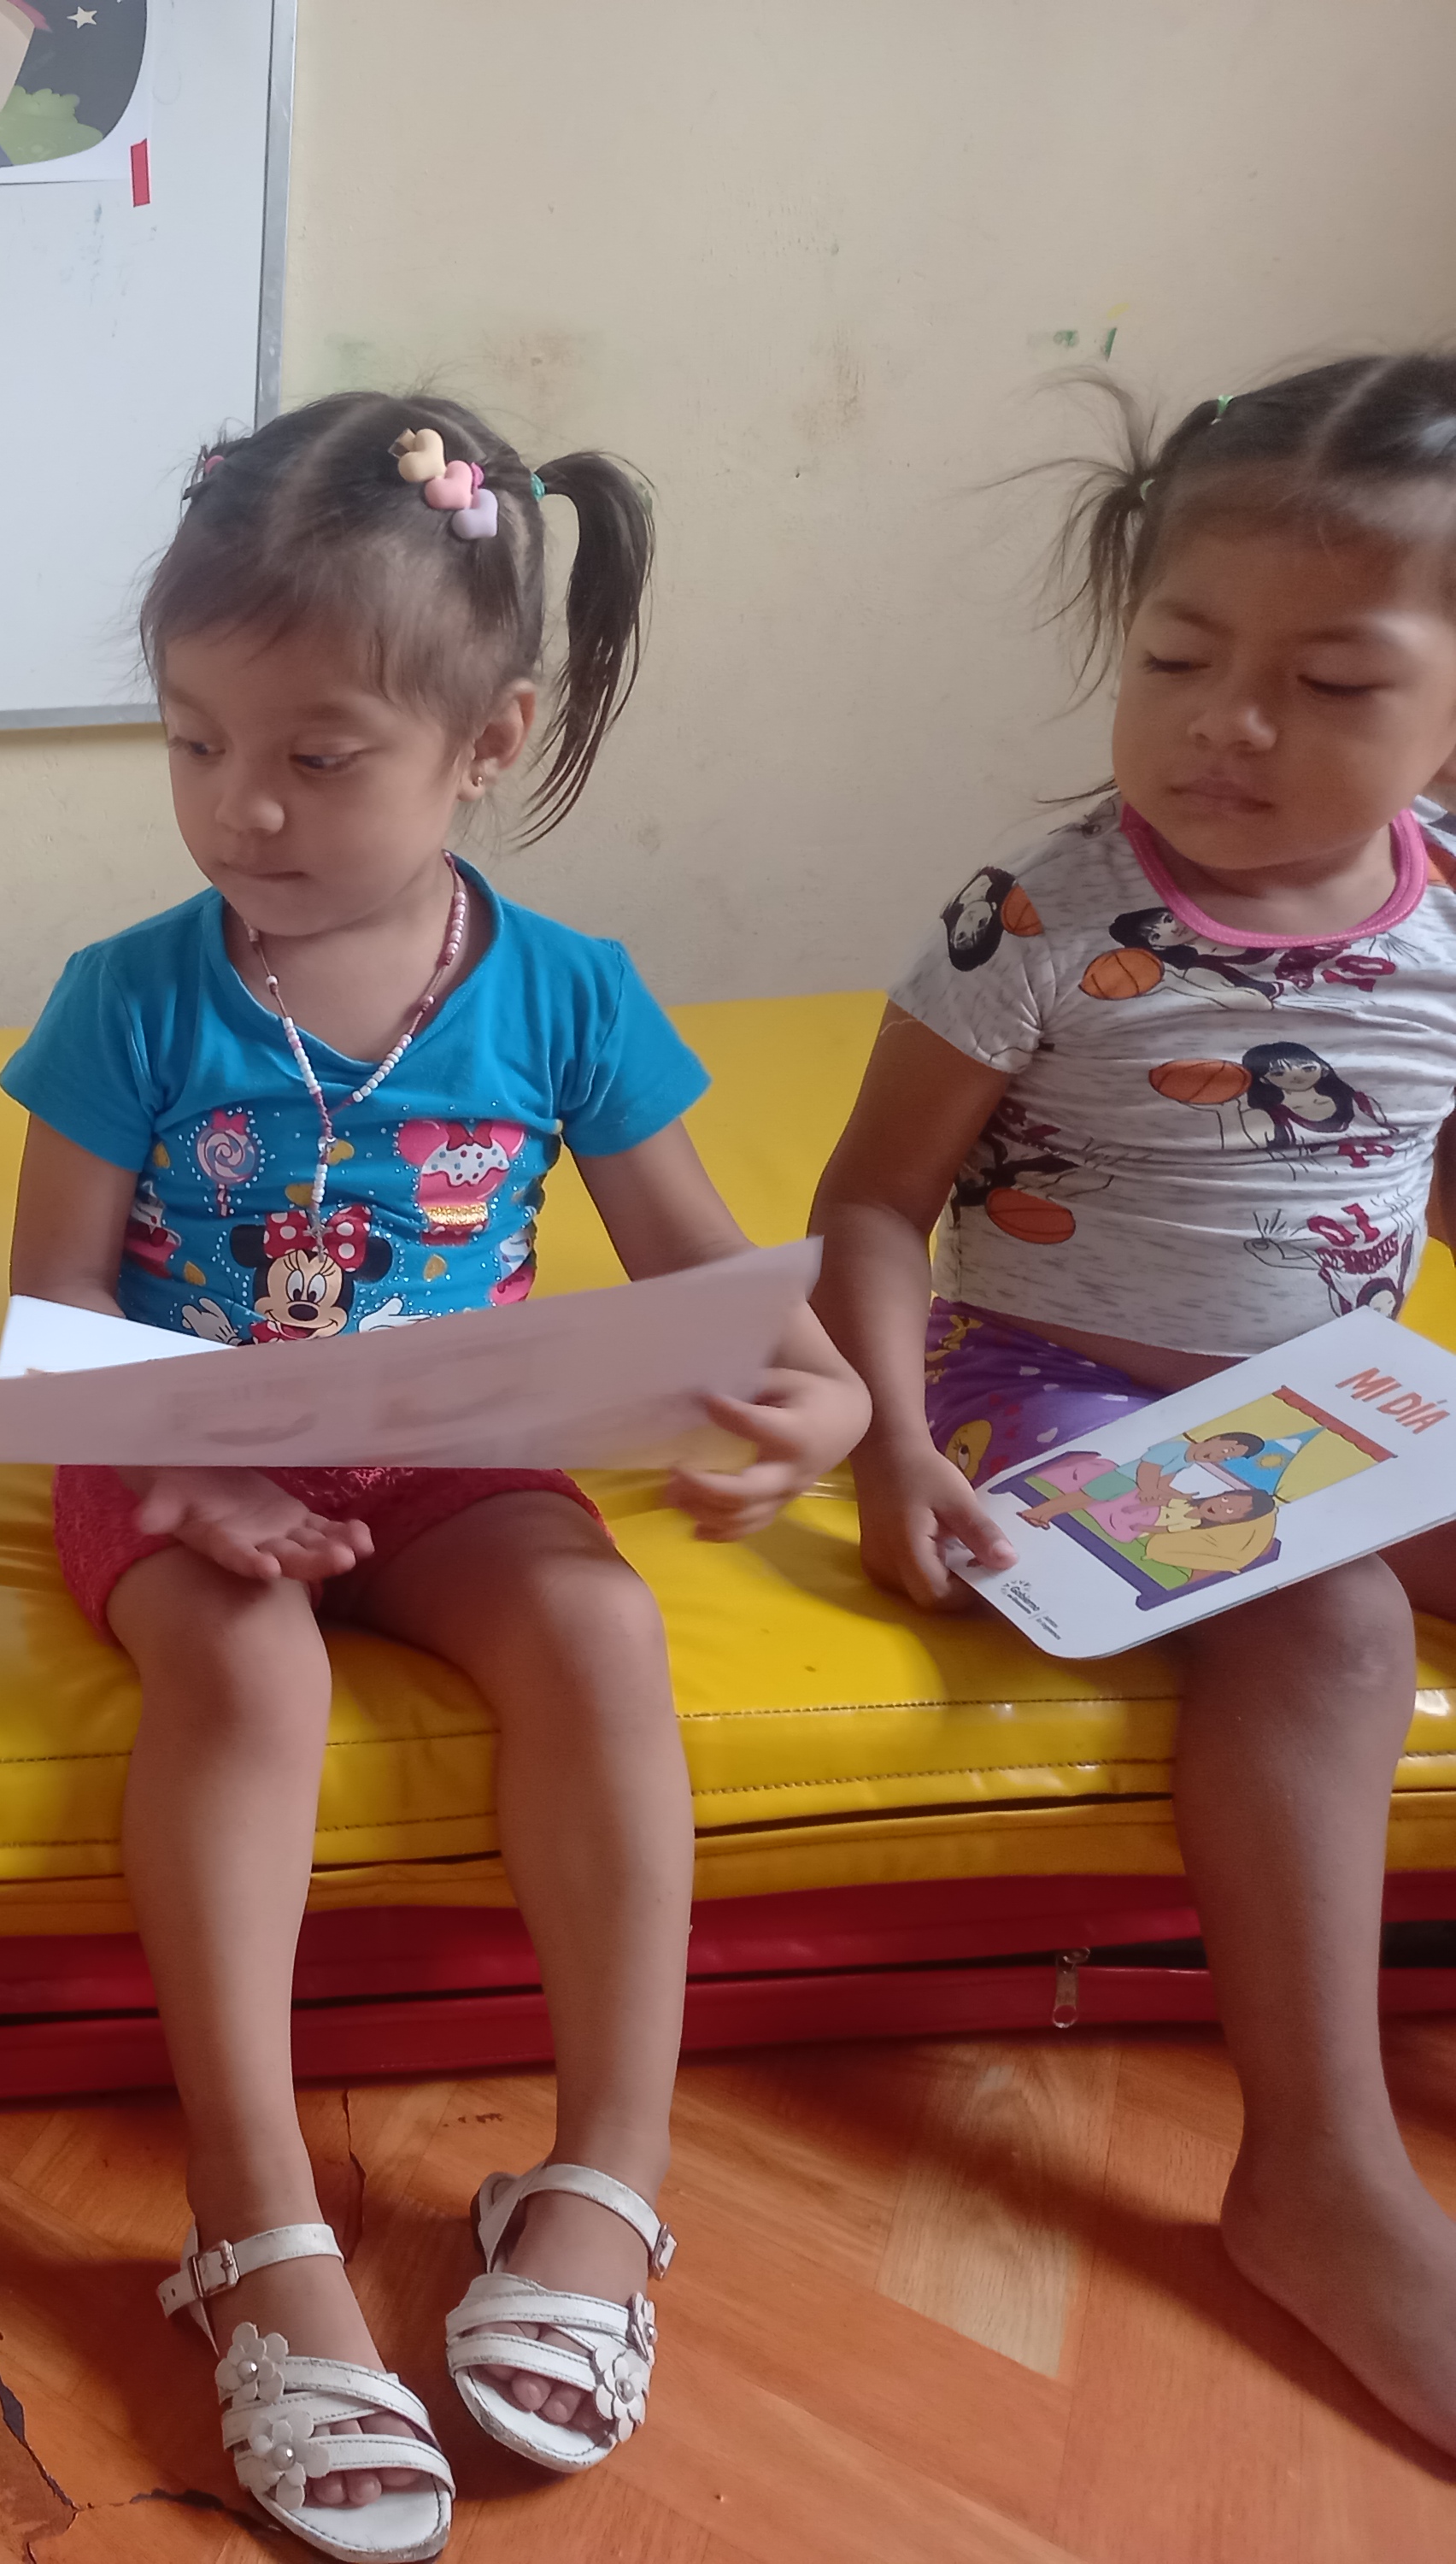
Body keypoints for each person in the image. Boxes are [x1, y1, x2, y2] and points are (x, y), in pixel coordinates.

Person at [1, 396, 865, 2560]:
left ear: (487, 741)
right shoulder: (125, 999)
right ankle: (250, 2220)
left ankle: (604, 2180)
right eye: (193, 740)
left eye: (316, 755)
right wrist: (188, 1483)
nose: (239, 805)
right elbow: (52, 1325)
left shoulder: (564, 997)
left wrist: (822, 1406)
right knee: (252, 1674)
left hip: (454, 1458)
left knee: (596, 1630)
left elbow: (721, 1292)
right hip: (179, 1455)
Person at [813, 352, 1456, 2460]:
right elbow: (870, 1206)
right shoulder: (1035, 917)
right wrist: (890, 1437)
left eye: (1328, 683)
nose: (1224, 723)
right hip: (1049, 1397)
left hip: (1340, 1404)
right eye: (1176, 656)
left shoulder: (1449, 920)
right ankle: (1316, 2173)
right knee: (1330, 1623)